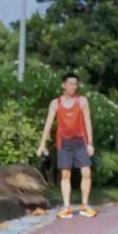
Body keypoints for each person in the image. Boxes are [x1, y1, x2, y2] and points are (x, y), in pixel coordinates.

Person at [36, 73, 97, 219]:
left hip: (80, 142)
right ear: (63, 85)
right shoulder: (55, 103)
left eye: (75, 84)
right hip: (64, 142)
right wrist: (42, 144)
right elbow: (48, 124)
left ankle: (85, 205)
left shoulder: (82, 101)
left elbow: (88, 122)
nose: (73, 87)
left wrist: (90, 143)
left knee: (86, 171)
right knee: (65, 174)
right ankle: (66, 207)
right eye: (70, 83)